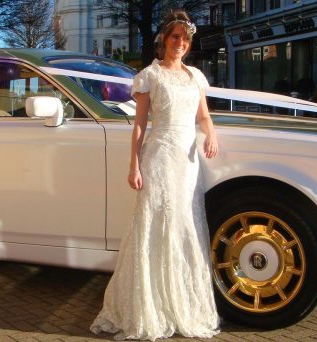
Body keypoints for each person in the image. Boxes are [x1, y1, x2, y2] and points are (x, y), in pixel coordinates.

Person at [90, 9, 220, 341]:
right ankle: (150, 305)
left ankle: (180, 301)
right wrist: (133, 165)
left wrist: (212, 135)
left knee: (183, 224)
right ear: (164, 39)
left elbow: (203, 116)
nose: (180, 43)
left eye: (185, 38)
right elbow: (139, 128)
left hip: (187, 162)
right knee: (155, 225)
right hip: (159, 157)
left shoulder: (194, 76)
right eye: (175, 37)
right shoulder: (151, 75)